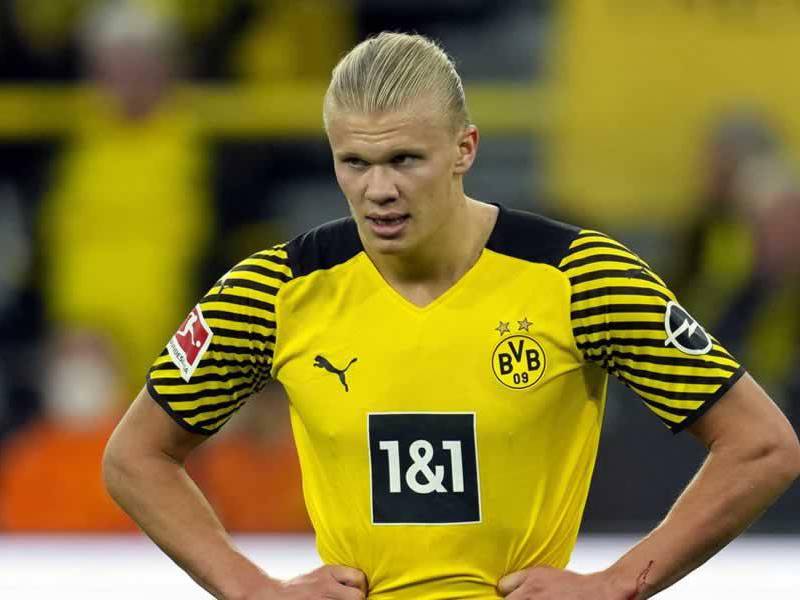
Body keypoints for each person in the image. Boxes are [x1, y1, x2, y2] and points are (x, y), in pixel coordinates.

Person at [103, 32, 800, 599]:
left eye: (405, 159)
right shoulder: (274, 290)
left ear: (465, 148)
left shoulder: (581, 278)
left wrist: (620, 582)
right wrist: (250, 589)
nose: (378, 189)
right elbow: (135, 457)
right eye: (354, 162)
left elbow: (762, 446)